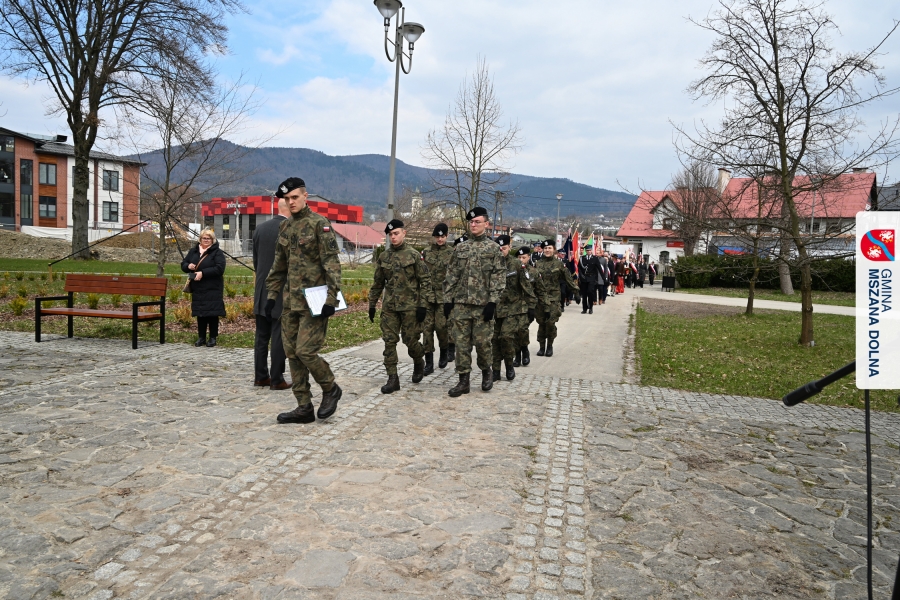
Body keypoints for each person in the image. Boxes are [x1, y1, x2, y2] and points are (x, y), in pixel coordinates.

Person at [265, 177, 343, 424]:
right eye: (287, 199)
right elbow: (278, 266)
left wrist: (331, 299)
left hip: (314, 302)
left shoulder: (320, 225)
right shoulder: (285, 227)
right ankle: (304, 406)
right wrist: (271, 296)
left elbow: (332, 265)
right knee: (292, 354)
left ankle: (330, 387)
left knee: (305, 351)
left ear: (305, 196)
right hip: (290, 303)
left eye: (294, 197)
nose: (291, 202)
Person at [442, 207, 504, 396]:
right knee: (461, 344)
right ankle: (463, 381)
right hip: (461, 304)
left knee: (483, 344)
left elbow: (498, 277)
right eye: (471, 222)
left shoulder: (493, 249)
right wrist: (447, 300)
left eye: (477, 221)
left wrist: (492, 302)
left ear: (486, 224)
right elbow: (451, 275)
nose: (474, 224)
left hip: (483, 306)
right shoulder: (461, 248)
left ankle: (486, 372)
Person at [369, 219, 430, 394]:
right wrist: (372, 304)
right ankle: (392, 378)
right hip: (390, 307)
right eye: (390, 235)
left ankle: (418, 361)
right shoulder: (384, 257)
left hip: (410, 306)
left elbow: (425, 281)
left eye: (396, 233)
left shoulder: (414, 255)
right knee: (389, 341)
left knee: (410, 341)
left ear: (404, 233)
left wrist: (423, 306)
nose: (393, 237)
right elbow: (378, 283)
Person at [252, 198, 291, 389]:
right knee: (278, 335)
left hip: (261, 290)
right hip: (281, 291)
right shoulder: (290, 230)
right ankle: (277, 378)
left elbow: (256, 261)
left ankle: (260, 376)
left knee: (261, 336)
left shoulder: (260, 229)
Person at [490, 235, 536, 382]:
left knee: (506, 337)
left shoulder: (517, 264)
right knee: (494, 339)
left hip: (512, 308)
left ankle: (509, 365)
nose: (501, 251)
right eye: (499, 249)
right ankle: (495, 370)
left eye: (504, 248)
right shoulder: (490, 264)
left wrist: (531, 306)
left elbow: (526, 286)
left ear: (509, 248)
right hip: (494, 308)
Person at [181, 227, 226, 347]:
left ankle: (212, 338)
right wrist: (188, 266)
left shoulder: (217, 253)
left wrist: (203, 273)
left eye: (208, 238)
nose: (206, 240)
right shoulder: (193, 251)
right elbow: (183, 264)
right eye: (204, 238)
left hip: (212, 287)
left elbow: (219, 268)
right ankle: (201, 337)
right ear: (200, 239)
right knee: (200, 313)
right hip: (198, 287)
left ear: (212, 240)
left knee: (212, 313)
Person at [534, 240, 579, 357]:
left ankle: (549, 345)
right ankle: (541, 346)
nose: (547, 250)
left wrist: (576, 292)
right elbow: (533, 281)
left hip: (553, 298)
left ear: (554, 249)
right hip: (540, 298)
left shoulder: (559, 264)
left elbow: (568, 279)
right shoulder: (538, 264)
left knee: (550, 322)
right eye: (545, 248)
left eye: (549, 248)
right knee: (541, 322)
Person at [421, 223, 453, 373]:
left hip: (443, 297)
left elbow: (455, 276)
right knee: (427, 330)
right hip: (428, 296)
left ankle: (444, 352)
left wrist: (451, 299)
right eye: (437, 237)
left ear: (446, 236)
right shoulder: (426, 252)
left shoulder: (452, 253)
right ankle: (428, 362)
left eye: (443, 236)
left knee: (441, 328)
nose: (440, 239)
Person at [514, 246, 542, 366]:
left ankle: (524, 350)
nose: (521, 260)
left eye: (523, 257)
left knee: (522, 330)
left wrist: (538, 307)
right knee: (514, 331)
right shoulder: (512, 271)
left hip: (527, 306)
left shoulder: (533, 272)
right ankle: (518, 355)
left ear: (529, 257)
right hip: (513, 306)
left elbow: (540, 290)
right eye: (519, 257)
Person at [578, 245, 601, 314]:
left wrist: (604, 278)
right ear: (586, 251)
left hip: (591, 278)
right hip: (584, 278)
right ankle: (584, 309)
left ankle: (590, 307)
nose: (588, 251)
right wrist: (581, 276)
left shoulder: (595, 258)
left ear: (591, 251)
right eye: (587, 250)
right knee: (584, 294)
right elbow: (579, 268)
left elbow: (599, 268)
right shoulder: (582, 258)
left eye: (590, 250)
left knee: (590, 292)